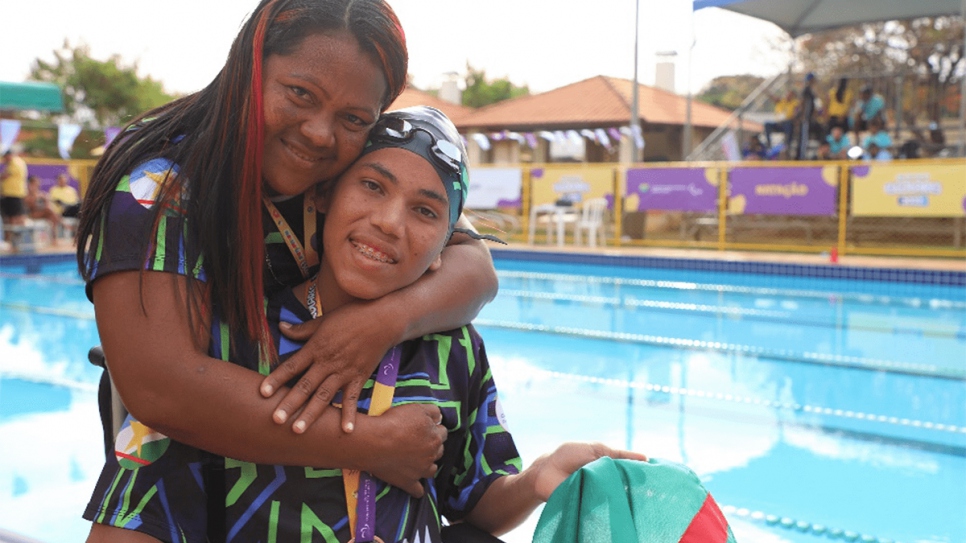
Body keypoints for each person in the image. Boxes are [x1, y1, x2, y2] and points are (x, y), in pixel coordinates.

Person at [85, 105, 645, 542]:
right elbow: (154, 505)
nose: (388, 222)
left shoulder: (455, 349)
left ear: (450, 237)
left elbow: (474, 502)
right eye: (373, 186)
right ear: (326, 194)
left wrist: (538, 480)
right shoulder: (231, 337)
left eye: (425, 212)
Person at [78, 2, 500, 540]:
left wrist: (385, 322)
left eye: (353, 118)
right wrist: (372, 444)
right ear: (251, 68)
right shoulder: (161, 185)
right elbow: (163, 389)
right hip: (179, 476)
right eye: (300, 94)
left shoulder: (345, 167)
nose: (321, 133)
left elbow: (474, 265)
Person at [794, 72, 822, 160]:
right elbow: (802, 102)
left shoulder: (811, 90)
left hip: (809, 118)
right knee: (803, 138)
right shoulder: (806, 90)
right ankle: (800, 157)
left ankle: (803, 155)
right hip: (805, 118)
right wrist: (802, 116)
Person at [1, 148, 28, 228]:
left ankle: (13, 236)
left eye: (5, 157)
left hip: (14, 194)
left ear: (9, 156)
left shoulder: (15, 162)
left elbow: (5, 176)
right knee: (12, 215)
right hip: (12, 193)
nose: (4, 160)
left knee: (13, 216)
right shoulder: (16, 162)